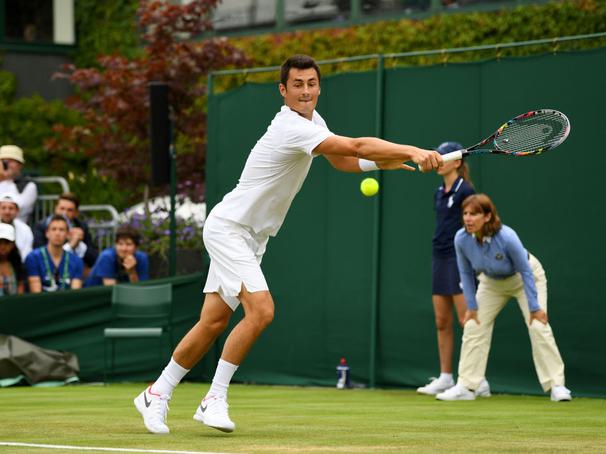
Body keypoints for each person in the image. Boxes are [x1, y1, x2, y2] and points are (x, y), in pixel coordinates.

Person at [134, 54, 444, 435]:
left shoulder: (314, 123)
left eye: (311, 84)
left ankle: (156, 392)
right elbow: (358, 145)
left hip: (251, 236)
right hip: (229, 228)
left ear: (319, 87)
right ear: (283, 91)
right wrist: (412, 151)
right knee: (262, 311)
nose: (306, 91)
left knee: (212, 321)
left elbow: (344, 162)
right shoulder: (289, 127)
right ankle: (214, 397)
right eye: (297, 85)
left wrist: (384, 164)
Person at [435, 194, 571, 402]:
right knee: (473, 325)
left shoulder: (507, 237)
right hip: (491, 282)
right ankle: (467, 386)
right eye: (465, 214)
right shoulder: (461, 238)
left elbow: (526, 271)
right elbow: (464, 272)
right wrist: (471, 307)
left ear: (487, 217)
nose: (468, 219)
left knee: (538, 326)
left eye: (474, 214)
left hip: (524, 277)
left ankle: (557, 386)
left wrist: (535, 308)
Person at [416, 142, 491, 398]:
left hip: (459, 258)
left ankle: (475, 380)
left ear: (457, 162)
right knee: (442, 321)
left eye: (443, 156)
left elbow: (473, 227)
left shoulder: (465, 191)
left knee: (467, 319)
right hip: (439, 256)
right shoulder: (439, 191)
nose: (438, 160)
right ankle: (446, 377)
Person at [33, 192, 99, 274]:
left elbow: (94, 259)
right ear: (56, 208)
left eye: (69, 210)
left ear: (76, 213)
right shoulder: (41, 227)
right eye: (62, 208)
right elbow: (42, 259)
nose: (64, 213)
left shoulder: (81, 227)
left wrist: (80, 245)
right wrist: (71, 245)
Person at [25, 214, 84, 293]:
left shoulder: (77, 261)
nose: (57, 233)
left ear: (67, 234)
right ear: (47, 233)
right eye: (54, 229)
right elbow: (36, 293)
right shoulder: (33, 257)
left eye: (61, 230)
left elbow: (75, 293)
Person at [85, 225, 149, 287]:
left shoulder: (142, 258)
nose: (124, 248)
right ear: (115, 245)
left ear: (136, 247)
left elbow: (141, 288)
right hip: (96, 295)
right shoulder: (107, 257)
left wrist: (132, 272)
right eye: (120, 244)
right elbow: (112, 290)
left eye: (128, 244)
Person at [0, 145, 38, 224]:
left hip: (17, 230)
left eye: (10, 161)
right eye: (3, 161)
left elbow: (20, 208)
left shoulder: (29, 185)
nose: (6, 164)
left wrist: (6, 180)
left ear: (20, 165)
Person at [0, 192, 34, 261]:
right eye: (3, 208)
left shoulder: (25, 230)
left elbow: (27, 254)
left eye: (11, 208)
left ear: (17, 210)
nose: (7, 212)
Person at [0, 223, 26, 296]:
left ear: (13, 244)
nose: (3, 246)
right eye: (0, 242)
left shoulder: (18, 266)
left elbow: (21, 291)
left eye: (6, 242)